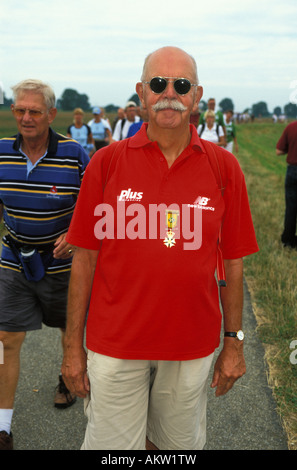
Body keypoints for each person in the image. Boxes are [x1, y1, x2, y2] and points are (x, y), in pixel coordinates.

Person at [61, 46, 259, 451]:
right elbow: (84, 259)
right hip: (115, 343)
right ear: (141, 92)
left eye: (181, 84)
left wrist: (234, 343)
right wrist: (72, 349)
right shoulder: (106, 163)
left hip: (191, 345)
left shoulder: (224, 167)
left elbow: (233, 263)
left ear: (196, 95)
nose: (170, 92)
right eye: (158, 83)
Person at [0, 79, 90, 450]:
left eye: (34, 111)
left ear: (52, 114)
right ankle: (3, 427)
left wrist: (75, 234)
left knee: (69, 332)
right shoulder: (2, 152)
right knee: (7, 339)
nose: (26, 117)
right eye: (20, 110)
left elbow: (95, 205)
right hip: (13, 260)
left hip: (62, 265)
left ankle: (65, 379)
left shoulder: (74, 153)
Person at [276, 120, 297, 248]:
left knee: (291, 207)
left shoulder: (291, 127)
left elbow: (279, 151)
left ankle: (288, 240)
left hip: (293, 170)